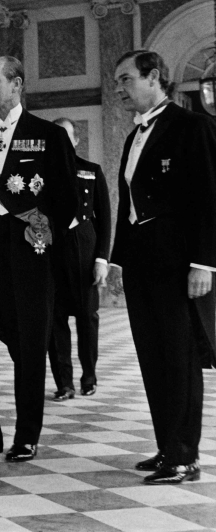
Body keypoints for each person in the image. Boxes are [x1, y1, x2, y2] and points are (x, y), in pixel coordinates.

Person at [0, 55, 77, 464]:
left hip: (27, 255)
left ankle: (26, 435)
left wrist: (40, 234)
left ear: (17, 84)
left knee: (27, 348)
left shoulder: (47, 136)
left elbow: (66, 202)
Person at [109, 49, 216, 484]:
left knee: (180, 357)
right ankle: (166, 446)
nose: (119, 89)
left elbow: (210, 197)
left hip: (177, 262)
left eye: (126, 79)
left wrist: (204, 263)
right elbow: (127, 204)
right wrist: (118, 261)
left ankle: (185, 455)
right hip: (141, 262)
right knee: (152, 357)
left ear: (155, 77)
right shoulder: (134, 135)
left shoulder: (192, 126)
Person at [47, 118, 110, 402]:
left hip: (85, 248)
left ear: (75, 140)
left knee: (87, 318)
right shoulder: (41, 173)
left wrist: (102, 259)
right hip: (52, 251)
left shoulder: (91, 170)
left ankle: (89, 378)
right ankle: (64, 383)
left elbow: (105, 219)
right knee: (55, 320)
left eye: (66, 136)